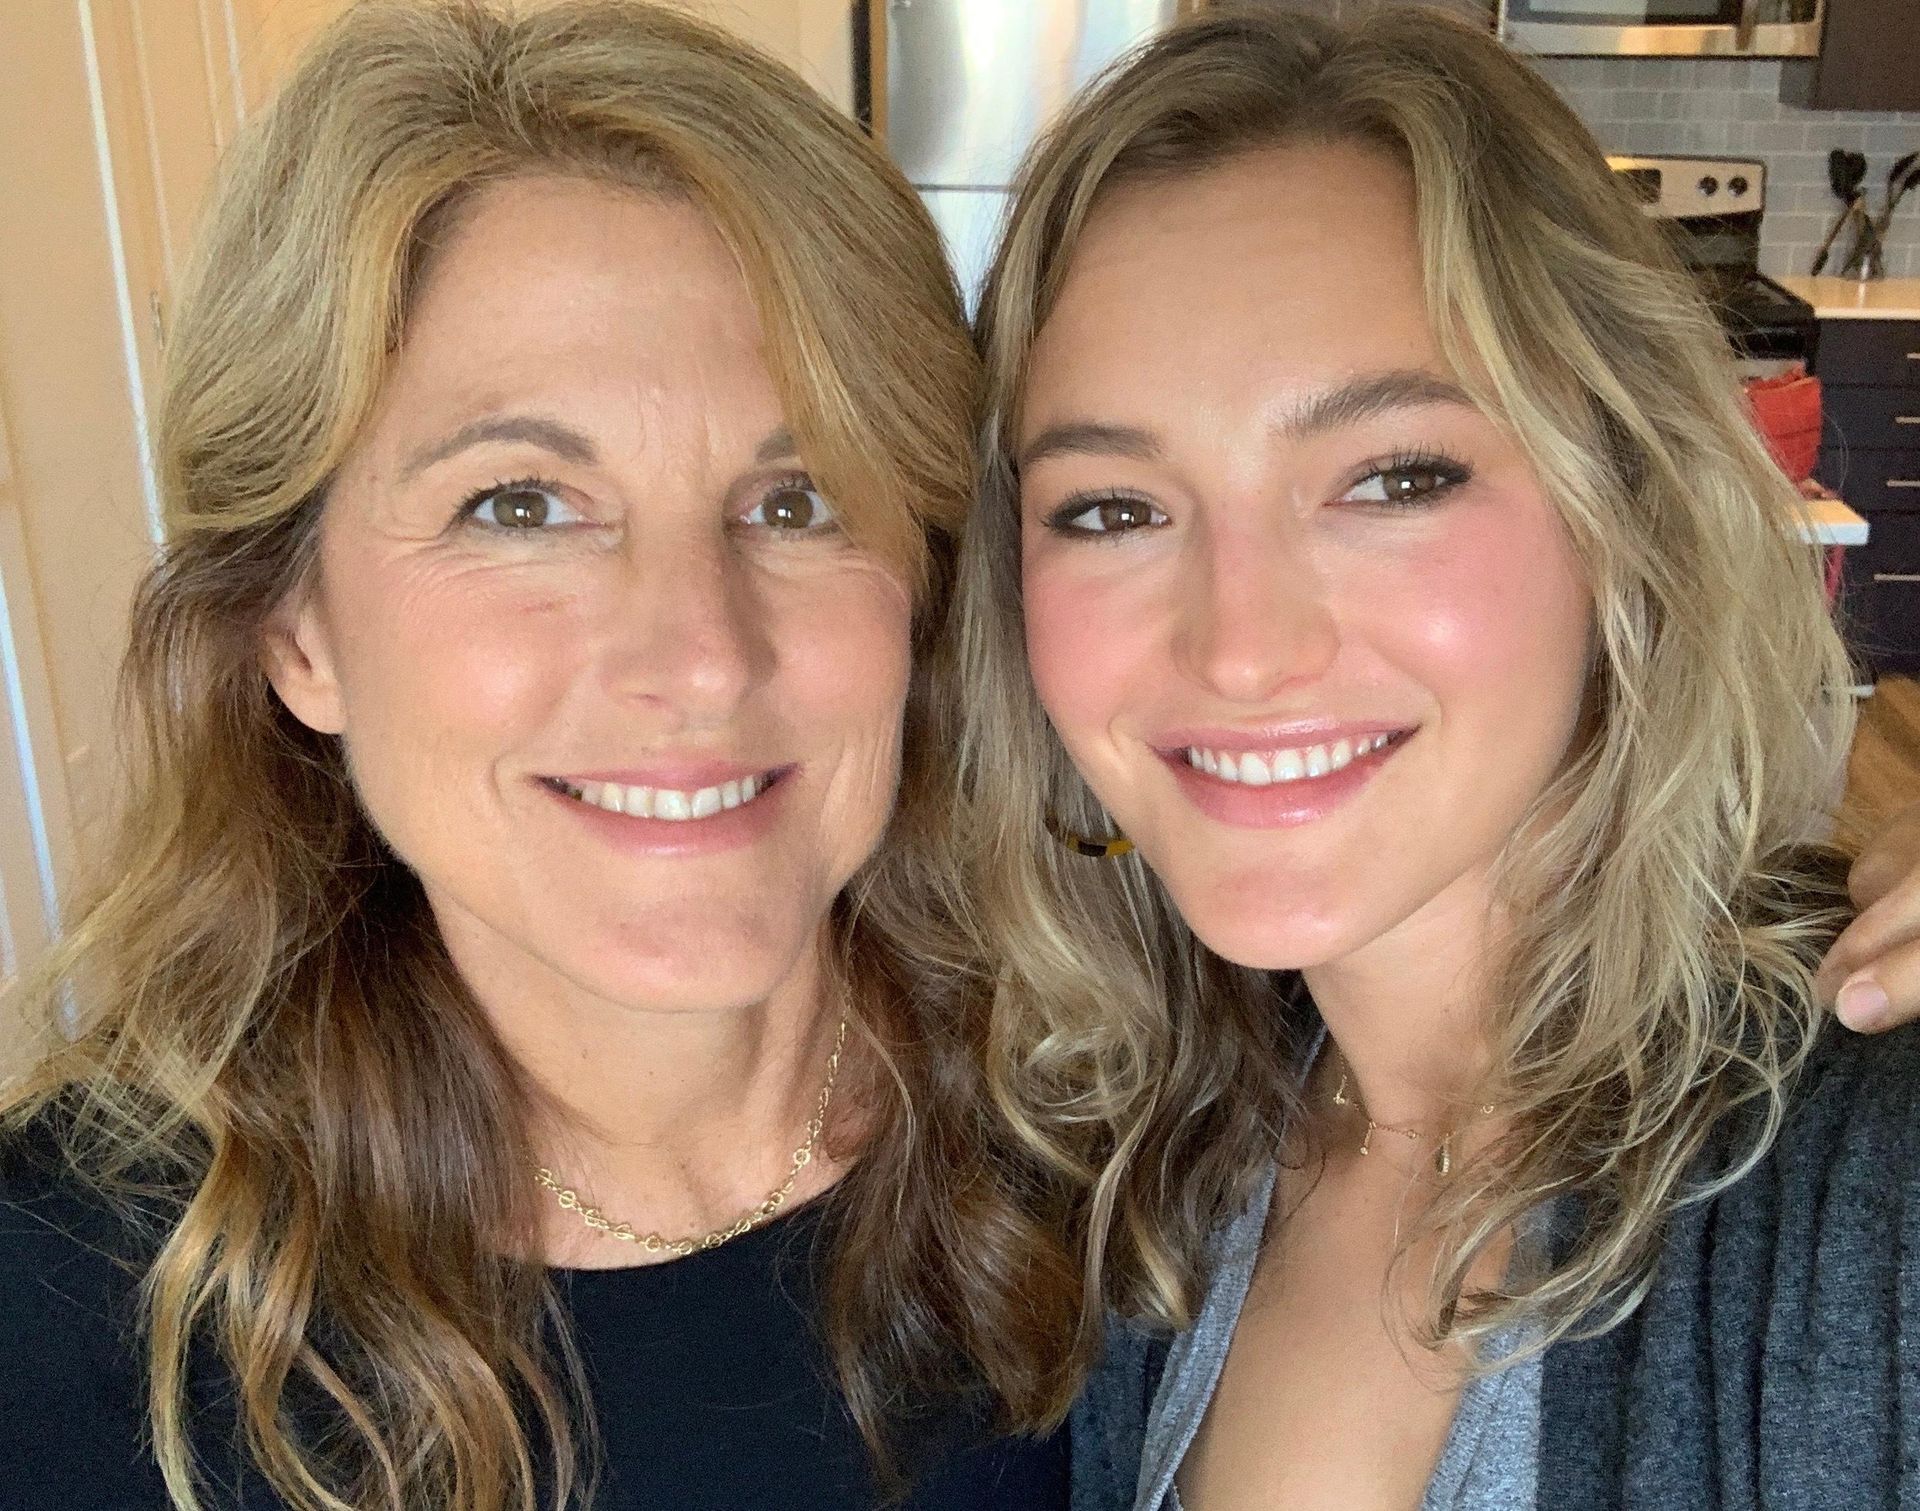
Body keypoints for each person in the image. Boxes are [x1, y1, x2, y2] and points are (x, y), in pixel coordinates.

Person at [0, 4, 1084, 1508]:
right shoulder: (56, 1316)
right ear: (295, 627)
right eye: (520, 506)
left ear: (926, 587)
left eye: (797, 500)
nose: (699, 651)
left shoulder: (1138, 1156)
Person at [960, 6, 1920, 1508]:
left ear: (1627, 509)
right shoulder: (1145, 1159)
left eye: (1392, 478)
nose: (1240, 646)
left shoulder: (1872, 1189)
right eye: (1112, 508)